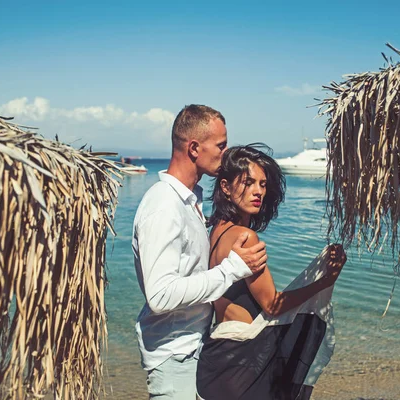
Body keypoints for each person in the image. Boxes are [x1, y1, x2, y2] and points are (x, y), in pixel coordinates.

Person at [133, 105, 268, 399]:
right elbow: (159, 295)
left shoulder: (189, 202)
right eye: (220, 145)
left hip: (194, 351)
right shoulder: (164, 206)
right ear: (194, 148)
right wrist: (232, 268)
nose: (226, 152)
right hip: (174, 357)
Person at [196, 144, 347, 400]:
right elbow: (274, 305)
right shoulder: (245, 237)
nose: (258, 192)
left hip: (217, 356)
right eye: (248, 182)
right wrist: (324, 281)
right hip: (241, 364)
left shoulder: (216, 231)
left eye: (263, 184)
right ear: (225, 187)